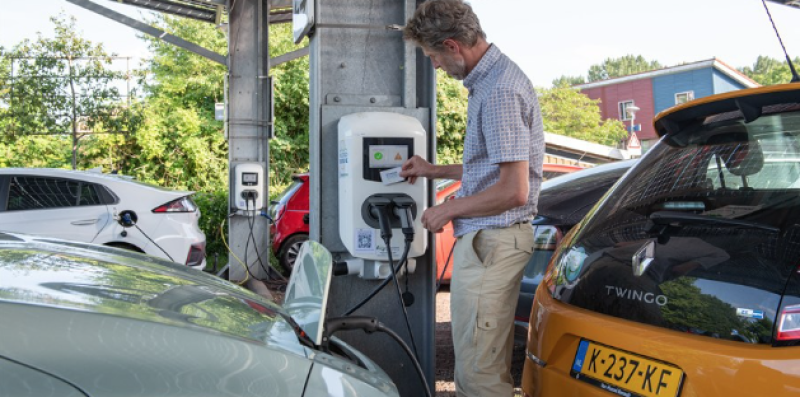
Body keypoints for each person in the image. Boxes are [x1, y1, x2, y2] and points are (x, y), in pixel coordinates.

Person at [400, 1, 544, 395]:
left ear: (452, 46)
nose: (435, 67)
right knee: (474, 363)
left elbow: (514, 190)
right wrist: (434, 171)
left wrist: (448, 209)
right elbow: (494, 170)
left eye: (432, 57)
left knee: (479, 372)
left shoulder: (498, 91)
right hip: (490, 242)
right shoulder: (493, 81)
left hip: (492, 242)